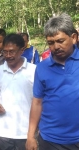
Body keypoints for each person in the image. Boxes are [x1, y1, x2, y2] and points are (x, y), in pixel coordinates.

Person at [26, 13, 79, 150]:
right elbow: (37, 102)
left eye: (60, 41)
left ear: (73, 38)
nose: (55, 47)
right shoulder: (42, 68)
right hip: (51, 140)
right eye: (51, 43)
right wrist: (30, 136)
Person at [0, 33, 36, 150]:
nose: (8, 55)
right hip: (3, 132)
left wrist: (34, 133)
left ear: (21, 50)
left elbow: (39, 101)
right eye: (5, 52)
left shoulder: (34, 71)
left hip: (25, 132)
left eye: (11, 52)